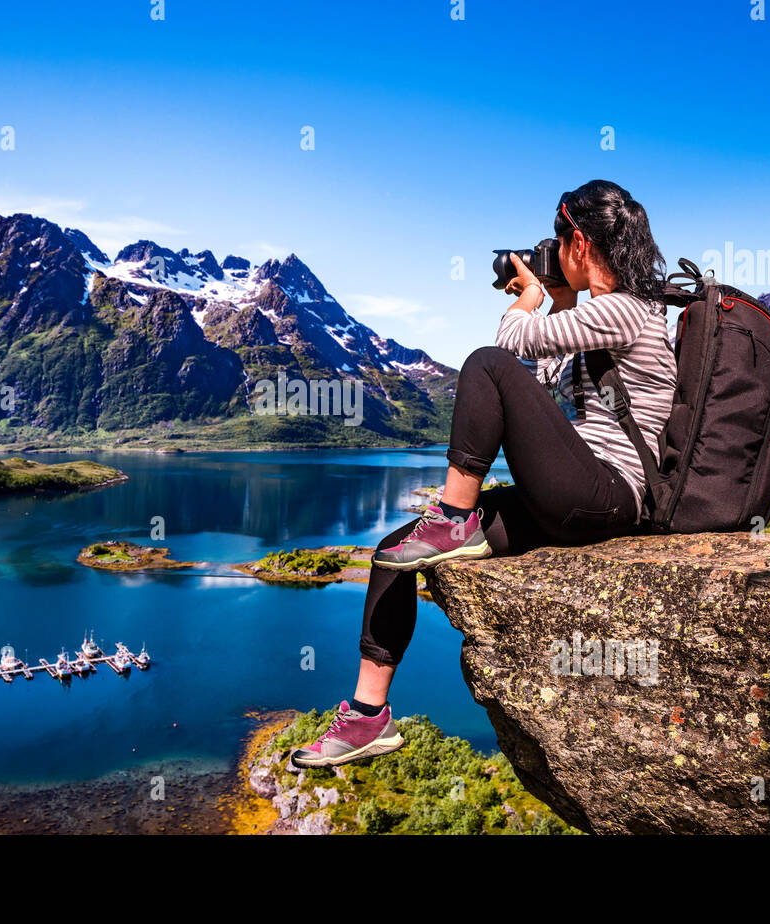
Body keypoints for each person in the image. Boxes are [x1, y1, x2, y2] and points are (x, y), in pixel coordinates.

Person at [291, 179, 678, 768]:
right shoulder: (603, 315)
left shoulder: (628, 309)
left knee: (484, 363)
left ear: (577, 241)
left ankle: (452, 515)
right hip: (576, 493)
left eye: (556, 241)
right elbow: (538, 385)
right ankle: (369, 716)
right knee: (395, 550)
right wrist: (560, 299)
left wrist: (528, 299)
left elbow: (510, 346)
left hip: (609, 495)